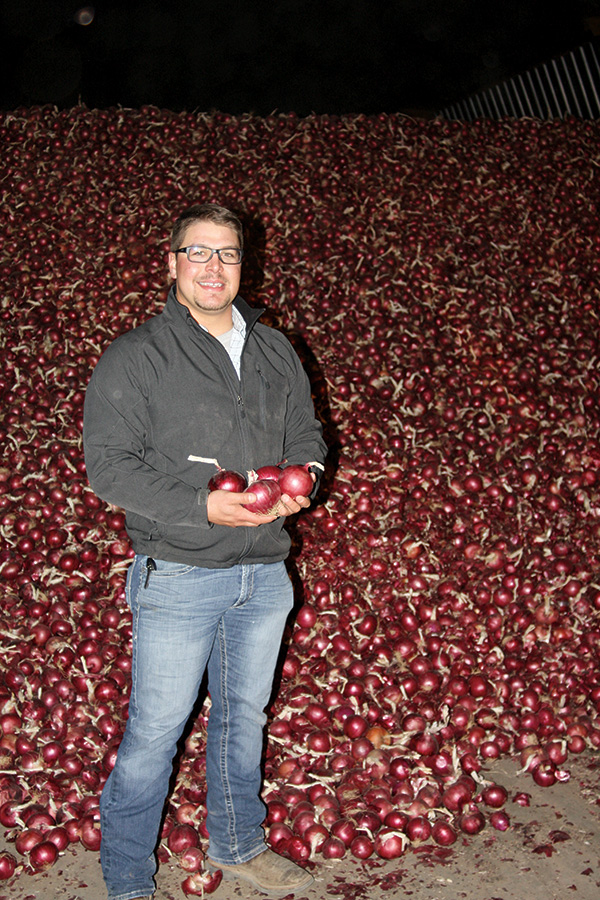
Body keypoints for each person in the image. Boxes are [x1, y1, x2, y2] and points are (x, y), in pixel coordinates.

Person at [83, 202, 327, 900]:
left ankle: (239, 842)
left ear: (243, 265)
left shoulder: (277, 350)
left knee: (242, 718)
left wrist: (305, 477)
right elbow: (108, 466)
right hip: (180, 575)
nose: (213, 267)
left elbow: (308, 434)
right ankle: (127, 878)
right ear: (172, 263)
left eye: (226, 253)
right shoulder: (138, 356)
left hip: (264, 571)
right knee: (156, 733)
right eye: (198, 252)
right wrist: (201, 505)